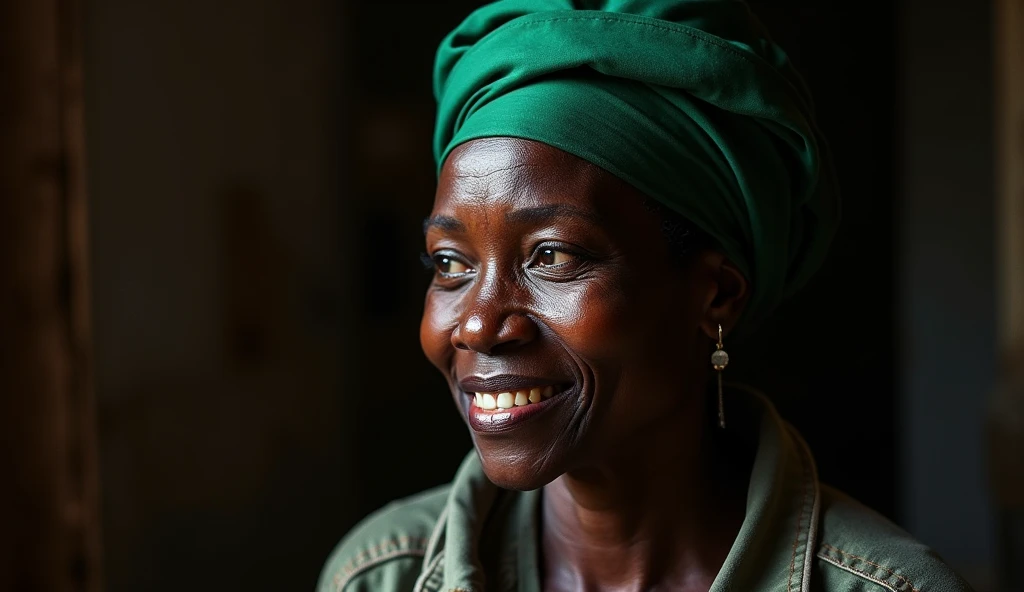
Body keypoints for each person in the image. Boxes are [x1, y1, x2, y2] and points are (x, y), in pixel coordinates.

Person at [319, 1, 974, 590]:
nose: (479, 326)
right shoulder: (379, 574)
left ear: (715, 294)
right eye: (451, 264)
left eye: (552, 256)